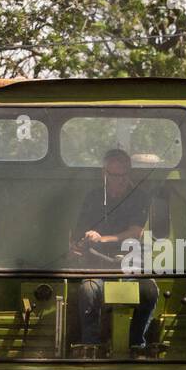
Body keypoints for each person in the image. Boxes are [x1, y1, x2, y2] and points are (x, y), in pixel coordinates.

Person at [69, 148, 159, 352]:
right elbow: (77, 232)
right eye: (114, 175)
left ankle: (137, 343)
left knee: (149, 290)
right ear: (104, 174)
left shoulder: (139, 197)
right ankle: (90, 346)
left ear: (129, 173)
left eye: (123, 175)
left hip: (130, 265)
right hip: (97, 266)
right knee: (88, 290)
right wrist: (77, 245)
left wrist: (102, 239)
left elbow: (135, 232)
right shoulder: (92, 197)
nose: (119, 180)